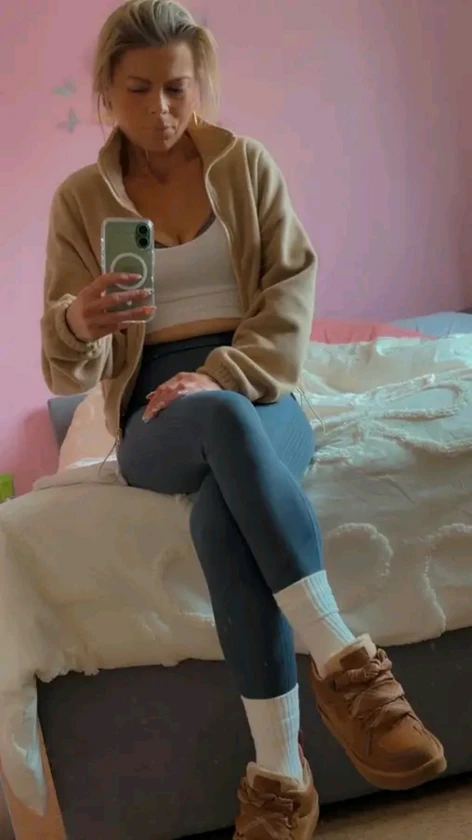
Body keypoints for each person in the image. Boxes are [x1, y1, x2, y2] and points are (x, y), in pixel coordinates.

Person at [41, 1, 446, 837]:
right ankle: (347, 664)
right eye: (139, 89)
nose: (161, 109)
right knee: (216, 418)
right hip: (155, 413)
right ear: (107, 91)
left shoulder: (245, 166)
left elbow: (291, 292)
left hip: (261, 389)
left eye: (178, 88)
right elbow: (68, 371)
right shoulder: (82, 199)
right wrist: (78, 322)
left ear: (200, 84)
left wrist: (221, 372)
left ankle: (279, 777)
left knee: (223, 514)